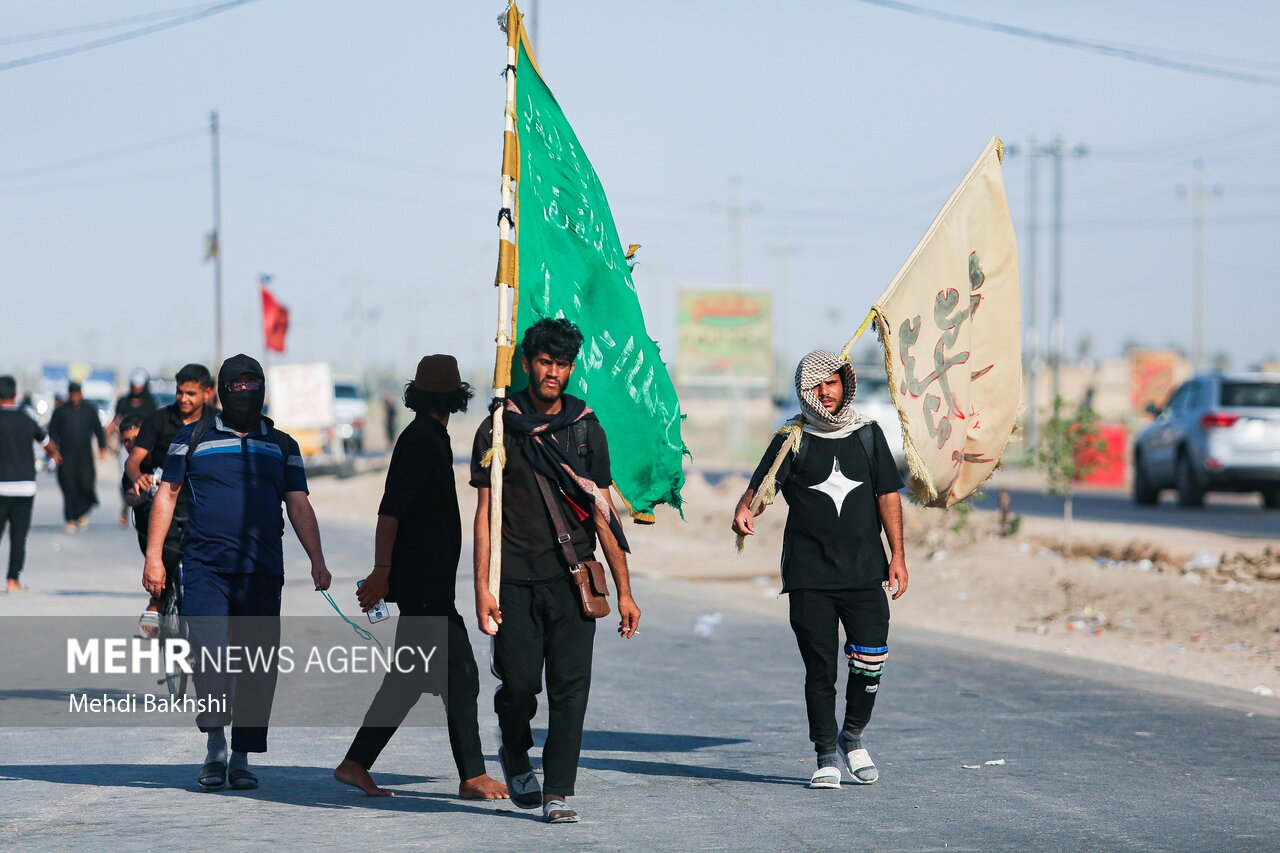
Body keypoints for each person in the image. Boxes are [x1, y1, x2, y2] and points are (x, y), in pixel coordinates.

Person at [471, 318, 641, 824]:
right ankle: (516, 754)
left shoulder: (586, 429)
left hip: (573, 582)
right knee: (520, 686)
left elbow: (604, 513)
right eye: (545, 362)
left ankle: (558, 791)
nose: (554, 372)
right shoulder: (498, 428)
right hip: (515, 584)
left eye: (562, 364)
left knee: (571, 692)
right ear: (526, 364)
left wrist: (626, 591)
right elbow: (484, 514)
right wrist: (482, 587)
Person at [143, 354, 332, 791]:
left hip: (263, 570)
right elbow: (167, 496)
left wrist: (317, 560)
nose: (245, 392)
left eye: (253, 384)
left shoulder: (282, 444)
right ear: (222, 391)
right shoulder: (191, 438)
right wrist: (155, 557)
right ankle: (215, 747)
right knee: (209, 658)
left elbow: (298, 503)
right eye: (237, 384)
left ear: (263, 389)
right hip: (205, 568)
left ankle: (243, 756)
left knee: (255, 667)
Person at [732, 350, 908, 790]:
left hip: (866, 571)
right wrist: (743, 511)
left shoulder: (867, 435)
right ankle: (826, 754)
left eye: (833, 383)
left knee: (871, 658)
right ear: (803, 390)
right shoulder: (791, 439)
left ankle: (853, 736)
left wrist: (898, 555)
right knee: (820, 669)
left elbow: (889, 497)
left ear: (845, 384)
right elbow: (759, 488)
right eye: (817, 385)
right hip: (810, 574)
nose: (826, 393)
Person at [334, 355, 508, 801]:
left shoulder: (429, 436)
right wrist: (382, 570)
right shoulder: (422, 441)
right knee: (463, 676)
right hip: (423, 587)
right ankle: (472, 775)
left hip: (425, 584)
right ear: (455, 397)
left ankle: (356, 763)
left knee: (407, 680)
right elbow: (390, 512)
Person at [124, 364, 215, 637]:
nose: (184, 399)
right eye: (179, 392)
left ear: (207, 393)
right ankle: (158, 600)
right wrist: (138, 476)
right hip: (167, 497)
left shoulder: (218, 421)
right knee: (168, 549)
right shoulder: (158, 420)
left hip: (203, 500)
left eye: (191, 393)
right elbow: (133, 460)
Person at [0, 376, 60, 593]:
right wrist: (55, 455)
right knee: (18, 535)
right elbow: (47, 443)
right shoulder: (26, 419)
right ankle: (12, 581)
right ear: (15, 394)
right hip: (24, 486)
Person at [47, 381, 106, 532]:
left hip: (85, 456)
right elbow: (52, 432)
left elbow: (98, 429)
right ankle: (71, 518)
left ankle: (82, 512)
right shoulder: (61, 411)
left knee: (86, 484)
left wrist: (101, 447)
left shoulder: (89, 410)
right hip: (66, 456)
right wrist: (54, 451)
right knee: (69, 486)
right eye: (72, 395)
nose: (74, 397)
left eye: (77, 394)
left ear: (81, 394)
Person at [112, 369, 158, 526]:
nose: (136, 389)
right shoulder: (124, 401)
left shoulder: (150, 403)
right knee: (126, 478)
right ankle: (127, 504)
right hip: (126, 448)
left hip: (147, 446)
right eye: (134, 385)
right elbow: (116, 419)